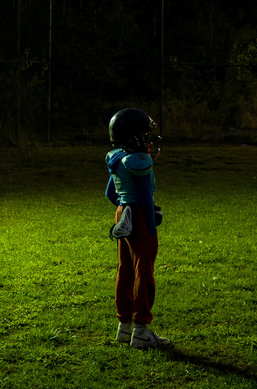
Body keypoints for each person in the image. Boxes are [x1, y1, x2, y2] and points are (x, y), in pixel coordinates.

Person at [104, 108, 170, 349]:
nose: (148, 139)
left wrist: (124, 211)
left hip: (123, 214)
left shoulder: (117, 158)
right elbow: (144, 195)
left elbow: (110, 193)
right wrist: (150, 222)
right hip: (139, 215)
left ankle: (124, 327)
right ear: (132, 136)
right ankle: (141, 330)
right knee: (144, 271)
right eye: (143, 135)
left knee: (125, 269)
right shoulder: (138, 161)